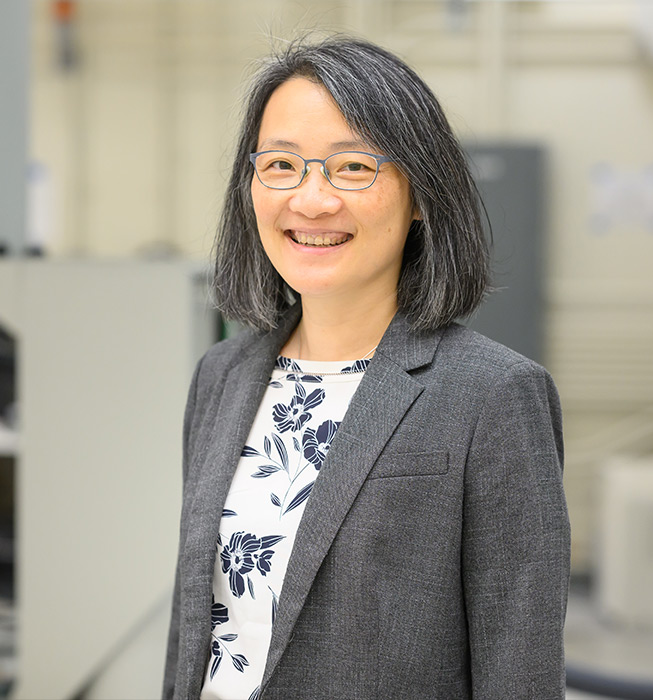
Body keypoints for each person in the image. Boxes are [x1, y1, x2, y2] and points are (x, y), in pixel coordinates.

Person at [163, 36, 570, 700]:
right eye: (281, 165)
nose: (312, 200)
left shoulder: (493, 396)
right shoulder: (223, 375)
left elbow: (518, 671)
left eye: (352, 168)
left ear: (420, 196)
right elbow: (198, 634)